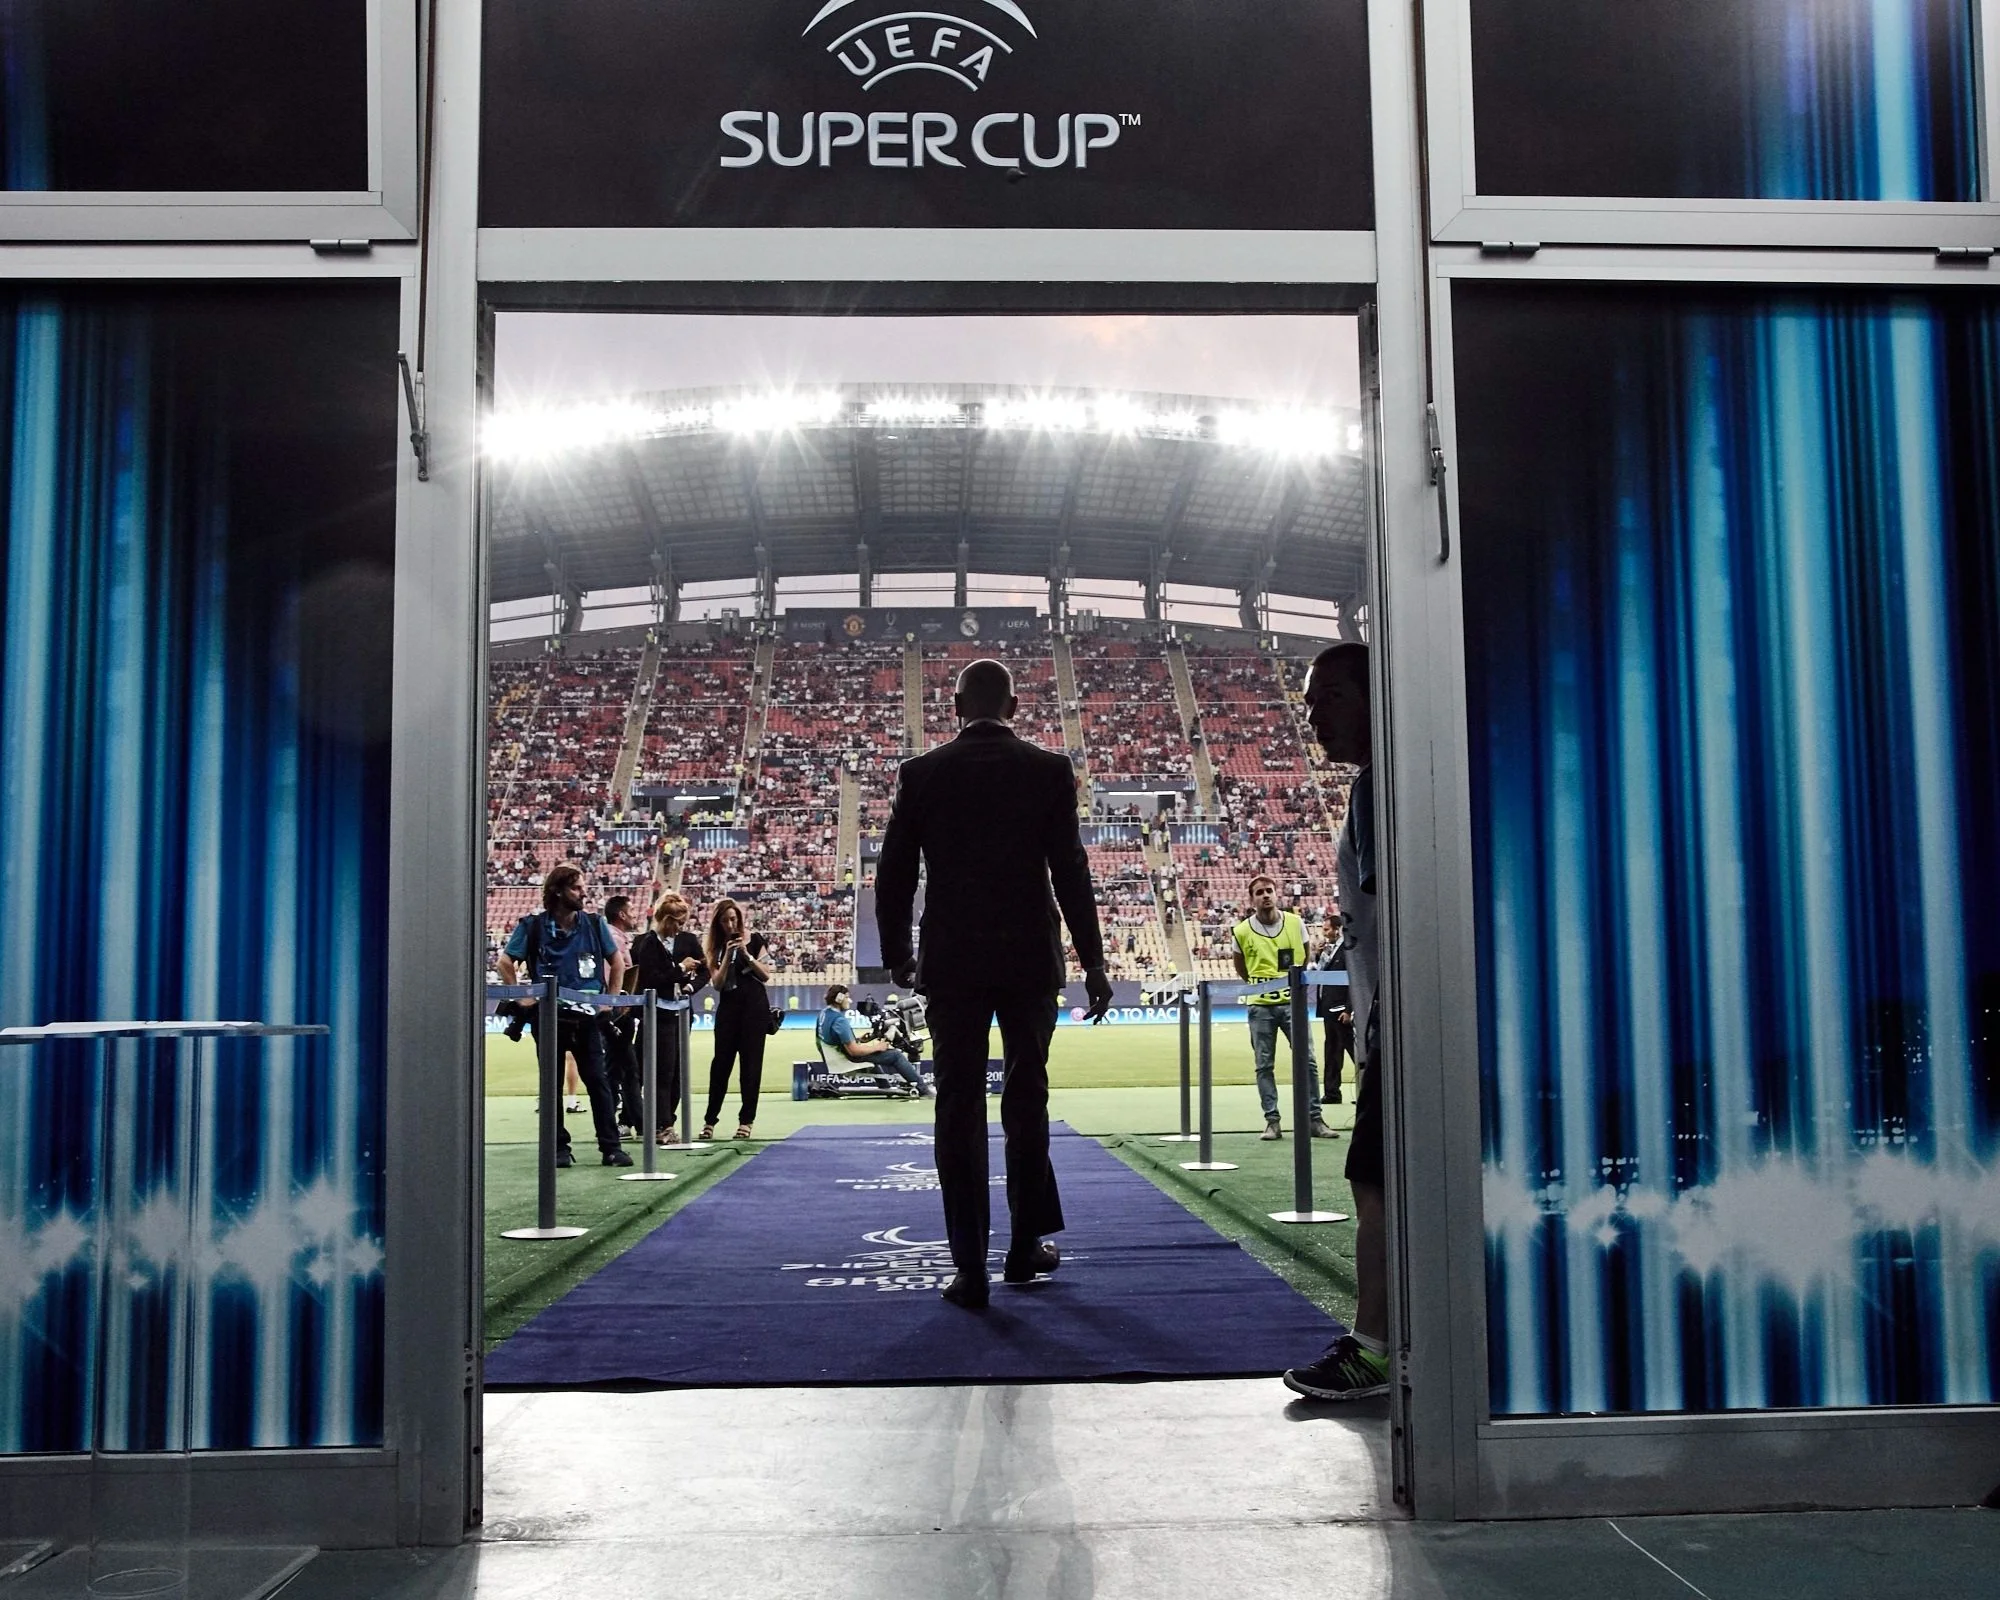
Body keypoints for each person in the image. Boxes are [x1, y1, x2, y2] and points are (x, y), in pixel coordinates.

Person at [876, 657, 1113, 1310]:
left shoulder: (921, 774)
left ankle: (968, 1268)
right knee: (1025, 1098)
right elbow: (1070, 870)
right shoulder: (1047, 770)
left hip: (952, 961)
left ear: (955, 708)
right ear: (1013, 707)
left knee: (957, 1107)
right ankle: (1024, 1247)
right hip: (1029, 959)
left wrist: (899, 951)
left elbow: (894, 872)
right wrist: (1092, 962)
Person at [1285, 642, 1388, 1401]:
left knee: (1374, 1185)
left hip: (1408, 1027)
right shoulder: (1378, 784)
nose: (1311, 715)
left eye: (1326, 698)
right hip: (1394, 1020)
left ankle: (1377, 1347)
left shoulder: (1379, 791)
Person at [496, 861, 632, 1168]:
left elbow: (618, 962)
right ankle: (558, 1149)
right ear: (557, 891)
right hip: (548, 1017)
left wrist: (607, 1002)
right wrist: (522, 998)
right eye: (576, 887)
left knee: (598, 1081)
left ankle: (611, 1147)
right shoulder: (533, 925)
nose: (583, 893)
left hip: (586, 1017)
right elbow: (505, 963)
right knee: (552, 1085)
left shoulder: (594, 923)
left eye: (583, 887)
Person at [1232, 873, 1333, 1141]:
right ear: (1252, 899)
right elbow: (1240, 966)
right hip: (1260, 1007)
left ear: (1276, 894)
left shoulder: (1295, 923)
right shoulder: (1241, 931)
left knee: (1308, 1062)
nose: (1265, 895)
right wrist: (1262, 985)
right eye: (1259, 892)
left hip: (1293, 1004)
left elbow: (1304, 955)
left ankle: (1314, 1119)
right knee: (1264, 1065)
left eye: (1269, 891)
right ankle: (1272, 1121)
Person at [628, 889, 707, 1144]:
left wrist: (689, 985)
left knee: (675, 1073)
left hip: (678, 1014)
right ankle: (659, 1124)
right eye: (678, 923)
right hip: (657, 1015)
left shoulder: (688, 941)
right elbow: (653, 979)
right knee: (659, 1072)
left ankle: (664, 1121)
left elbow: (705, 969)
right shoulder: (648, 943)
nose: (680, 929)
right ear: (667, 920)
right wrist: (681, 968)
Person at [700, 897, 773, 1141]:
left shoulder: (756, 940)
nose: (731, 924)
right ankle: (710, 1120)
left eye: (734, 919)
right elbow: (717, 984)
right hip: (729, 1008)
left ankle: (746, 1121)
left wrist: (745, 954)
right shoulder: (714, 948)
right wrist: (728, 956)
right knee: (720, 1065)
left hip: (754, 1007)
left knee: (751, 1066)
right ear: (718, 923)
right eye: (725, 920)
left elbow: (766, 975)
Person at [816, 982, 929, 1096]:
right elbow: (854, 1051)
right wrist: (877, 1047)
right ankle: (922, 1089)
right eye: (847, 997)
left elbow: (832, 1039)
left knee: (874, 1059)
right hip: (848, 1057)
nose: (849, 1001)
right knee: (896, 1055)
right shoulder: (839, 1020)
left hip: (836, 1055)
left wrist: (858, 1040)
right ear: (839, 999)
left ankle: (886, 1089)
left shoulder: (824, 1013)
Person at [601, 894, 642, 1137]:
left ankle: (630, 1122)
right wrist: (617, 1004)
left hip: (616, 1011)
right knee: (623, 1070)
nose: (635, 915)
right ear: (622, 915)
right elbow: (612, 976)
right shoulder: (613, 940)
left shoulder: (616, 938)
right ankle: (634, 1123)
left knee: (621, 1070)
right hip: (617, 1012)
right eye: (631, 911)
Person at [1314, 914, 1351, 1106]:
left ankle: (1372, 1087)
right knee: (1332, 1051)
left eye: (1327, 929)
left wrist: (1349, 1009)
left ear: (1338, 929)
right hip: (1329, 1008)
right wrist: (1318, 955)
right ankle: (1332, 1093)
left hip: (1341, 1009)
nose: (1324, 933)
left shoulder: (1347, 950)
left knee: (1354, 1051)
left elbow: (1354, 982)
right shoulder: (1330, 950)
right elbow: (1320, 973)